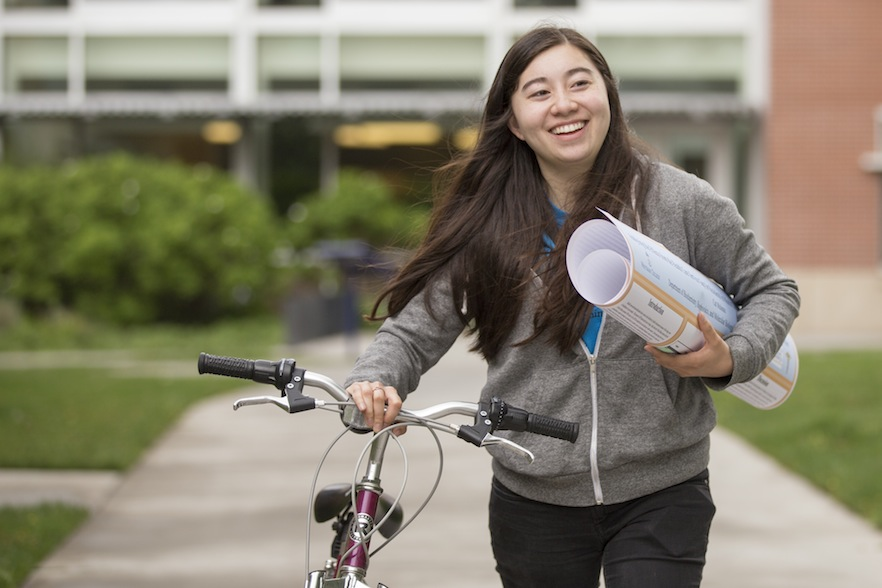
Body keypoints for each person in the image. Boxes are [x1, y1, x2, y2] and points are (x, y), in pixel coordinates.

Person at [345, 24, 800, 588]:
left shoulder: (679, 201)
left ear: (607, 93)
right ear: (513, 120)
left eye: (579, 82)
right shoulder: (486, 225)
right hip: (531, 499)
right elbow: (412, 333)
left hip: (663, 491)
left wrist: (729, 358)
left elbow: (773, 291)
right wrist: (373, 380)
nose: (564, 104)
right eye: (538, 92)